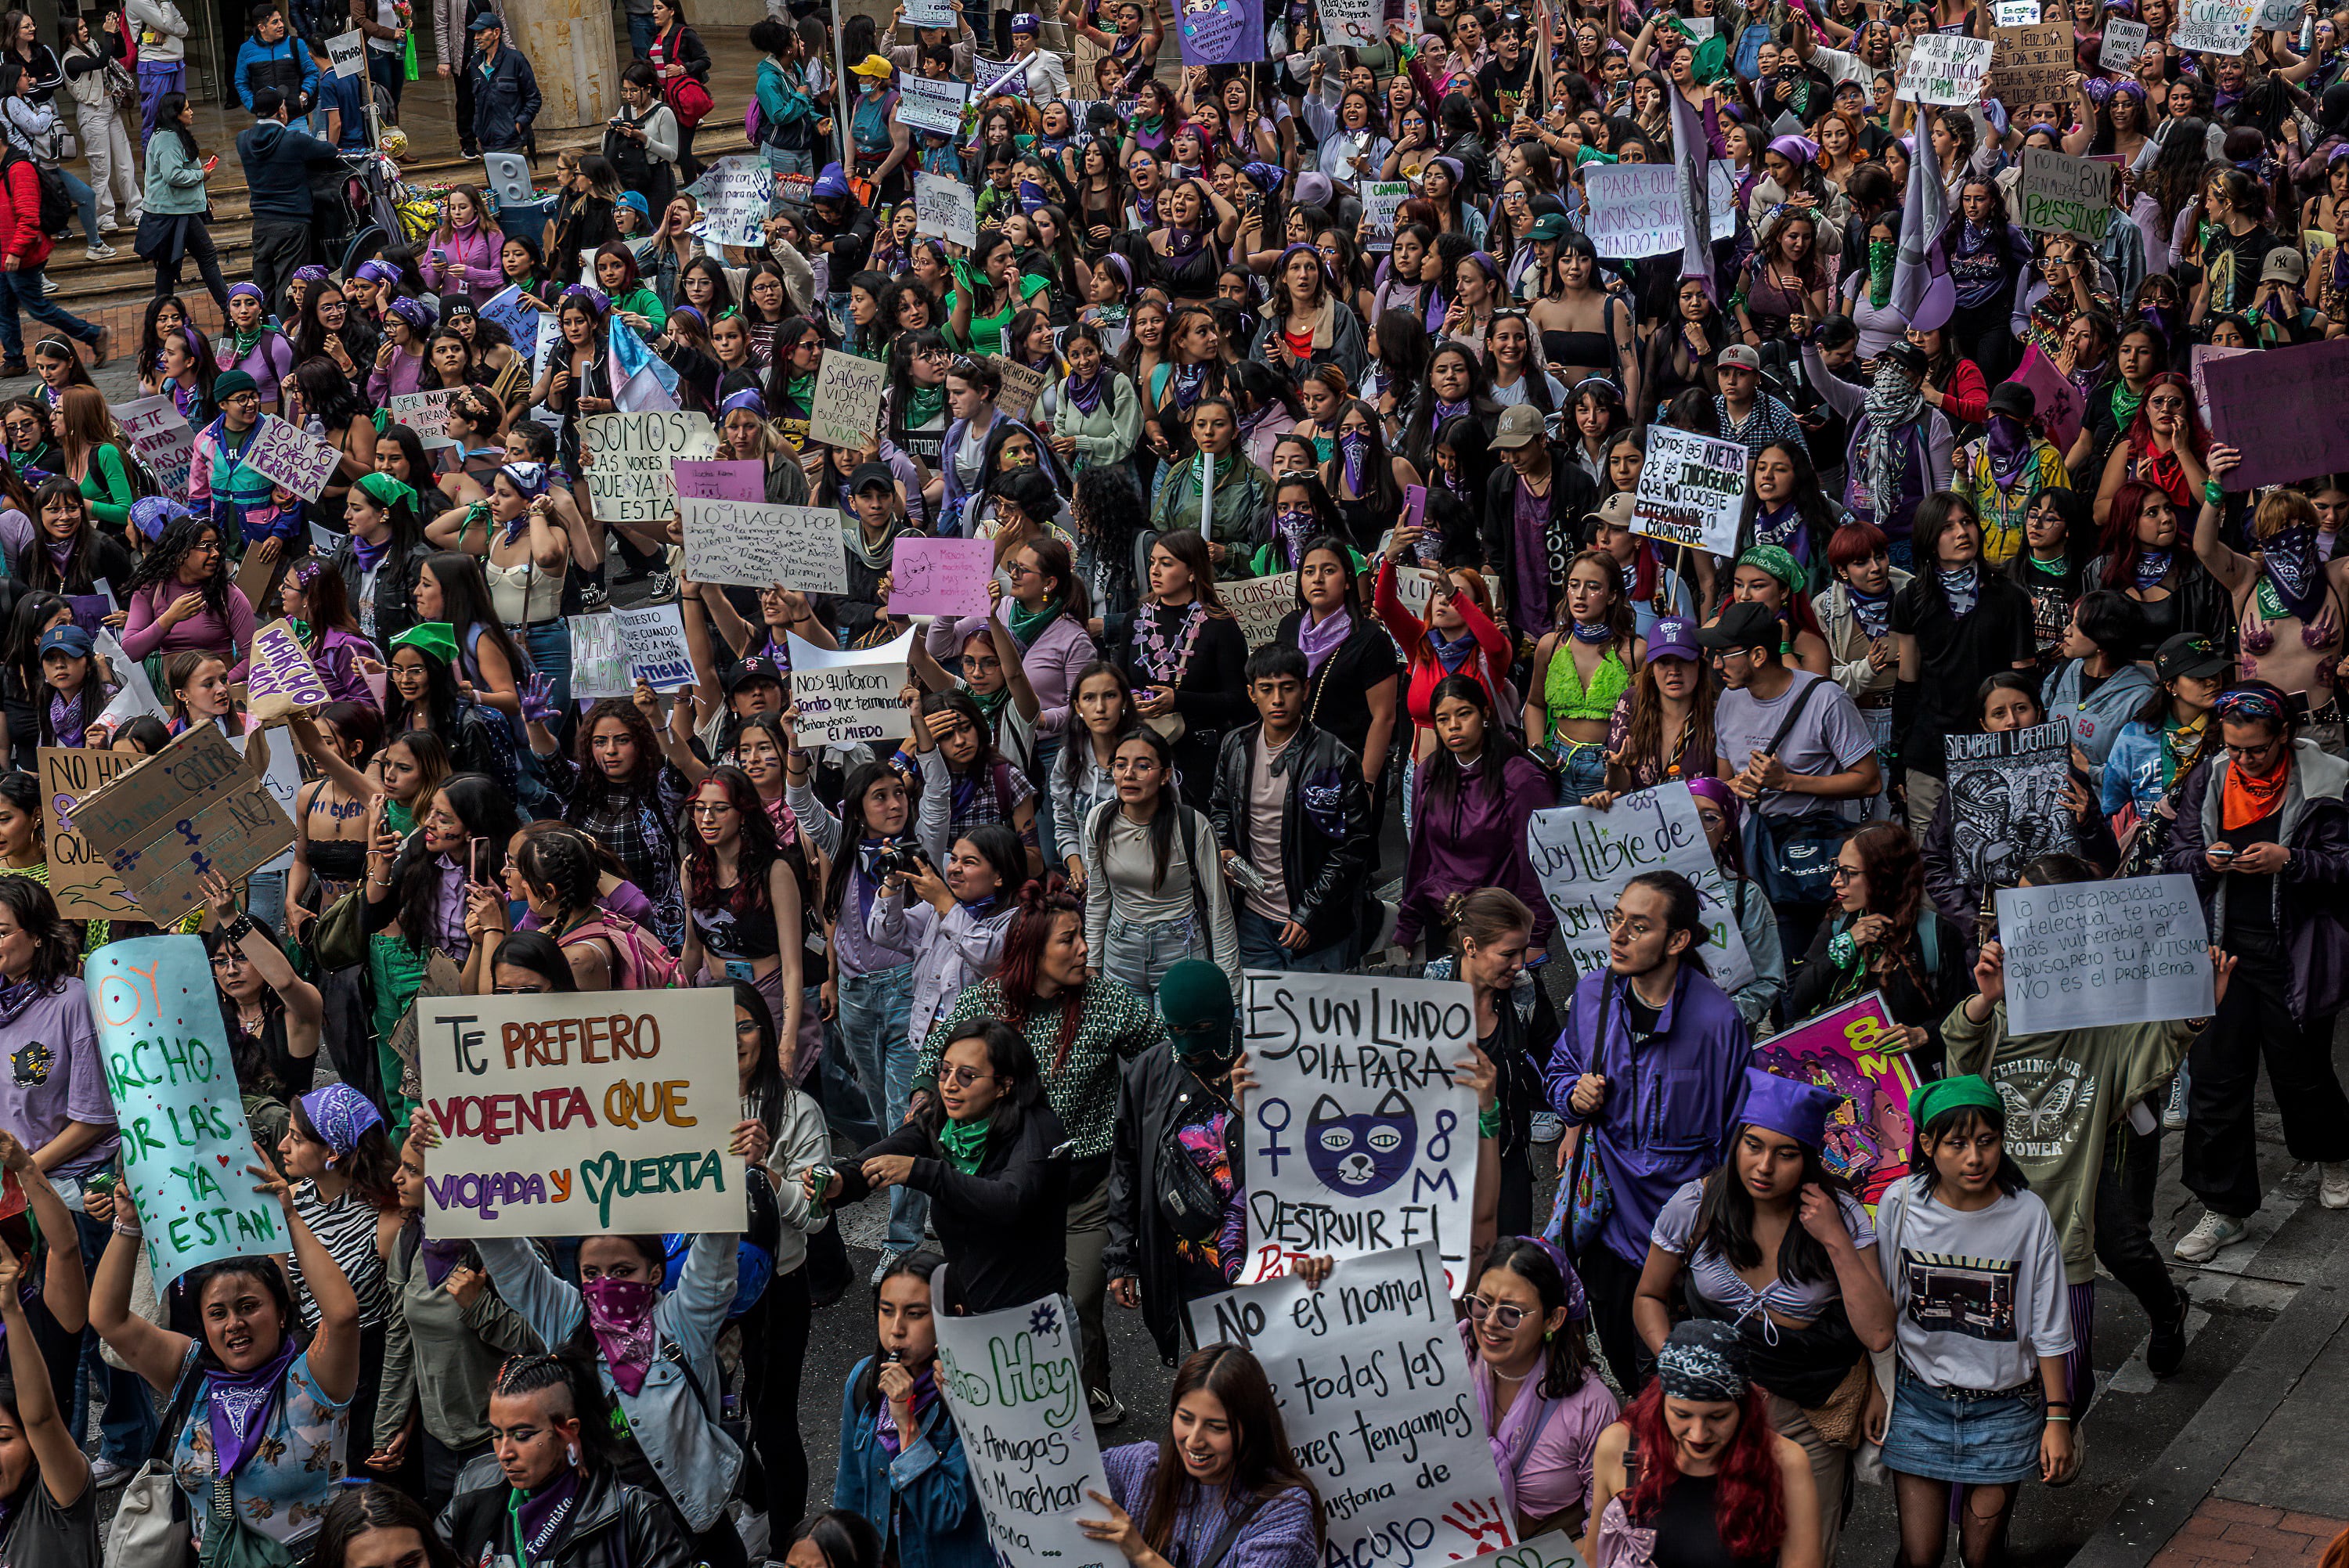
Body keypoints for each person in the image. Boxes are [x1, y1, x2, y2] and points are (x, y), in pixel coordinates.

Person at [1950, 856, 2213, 1400]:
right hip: (2036, 1144)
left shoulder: (2112, 974)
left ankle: (2168, 1310)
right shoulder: (2000, 976)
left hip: (2110, 1131)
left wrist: (2188, 1019)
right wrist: (1985, 1001)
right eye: (2016, 907)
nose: (2019, 923)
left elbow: (2153, 1044)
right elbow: (1964, 1063)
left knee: (2120, 1245)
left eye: (2037, 911)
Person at [1633, 1069, 1895, 1565]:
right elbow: (1648, 1296)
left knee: (1806, 1550)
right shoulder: (1695, 1206)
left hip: (1806, 1415)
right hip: (1709, 1416)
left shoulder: (1841, 1215)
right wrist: (1689, 1370)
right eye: (1753, 1145)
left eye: (1786, 1153)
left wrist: (1836, 1240)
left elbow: (1879, 1332)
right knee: (1713, 1546)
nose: (1764, 1166)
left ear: (1810, 1159)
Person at [90, 1144, 361, 1562]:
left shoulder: (313, 1380)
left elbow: (342, 1315)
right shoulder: (192, 1370)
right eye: (218, 1313)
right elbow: (109, 1320)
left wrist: (288, 1217)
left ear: (282, 1313)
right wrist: (129, 1226)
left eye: (249, 1307)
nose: (234, 1323)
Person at [1546, 871, 1753, 1392]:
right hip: (1610, 1233)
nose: (1617, 935)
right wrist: (1572, 1094)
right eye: (1616, 919)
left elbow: (1736, 1133)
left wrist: (1717, 1224)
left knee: (1688, 1388)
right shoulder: (1593, 994)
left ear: (1678, 939)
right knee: (1630, 1379)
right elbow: (1558, 1069)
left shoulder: (1717, 1019)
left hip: (1689, 1240)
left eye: (1638, 926)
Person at [2163, 683, 2349, 1259]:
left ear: (2285, 737)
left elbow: (2344, 865)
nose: (2243, 759)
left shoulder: (2330, 780)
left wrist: (2290, 860)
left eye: (2257, 749)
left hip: (2294, 952)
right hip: (2220, 952)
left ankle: (2334, 1155)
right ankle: (2223, 1208)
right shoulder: (2209, 777)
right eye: (2234, 746)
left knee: (2303, 1071)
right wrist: (2205, 859)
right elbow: (2175, 855)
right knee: (2216, 1081)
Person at [1869, 1079, 2079, 1568]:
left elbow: (2049, 1326)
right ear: (1927, 1144)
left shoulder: (2027, 1214)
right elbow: (1881, 1310)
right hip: (1921, 1403)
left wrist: (2058, 1418)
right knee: (1919, 1556)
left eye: (1987, 1141)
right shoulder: (1900, 1205)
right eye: (1956, 1143)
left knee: (1983, 1558)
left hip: (2004, 1413)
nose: (1974, 1158)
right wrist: (1873, 1389)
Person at [811, 1016, 1071, 1315]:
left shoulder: (1037, 1129)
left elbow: (1009, 1200)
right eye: (945, 1071)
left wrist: (921, 1171)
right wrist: (842, 1179)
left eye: (967, 1076)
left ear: (1004, 1085)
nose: (949, 1086)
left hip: (1034, 1321)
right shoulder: (945, 1120)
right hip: (967, 1314)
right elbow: (887, 1153)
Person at [1704, 600, 1884, 958]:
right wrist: (1732, 789)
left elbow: (1869, 780)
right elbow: (1725, 782)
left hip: (1813, 859)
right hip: (1753, 857)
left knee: (1807, 964)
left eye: (1725, 653)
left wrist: (1788, 781)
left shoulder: (1826, 699)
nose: (1717, 664)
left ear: (1757, 656)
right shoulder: (1728, 700)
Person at [1583, 1321, 1823, 1568]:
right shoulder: (1621, 1447)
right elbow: (1595, 1557)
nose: (1699, 1435)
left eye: (1718, 1417)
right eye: (1682, 1415)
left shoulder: (1784, 1462)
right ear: (1660, 1403)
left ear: (1744, 1408)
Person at [1208, 643, 1374, 975]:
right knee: (1260, 1022)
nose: (1278, 700)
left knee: (1316, 1022)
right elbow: (1221, 806)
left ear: (1305, 689)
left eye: (1287, 688)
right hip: (1252, 917)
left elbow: (1352, 849)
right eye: (1266, 690)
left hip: (1313, 927)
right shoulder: (1236, 745)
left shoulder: (1335, 758)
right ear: (1252, 693)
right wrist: (1225, 848)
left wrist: (1309, 914)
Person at [438, 1357, 694, 1568]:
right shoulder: (466, 1508)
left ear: (568, 1432)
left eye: (522, 1436)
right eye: (496, 1434)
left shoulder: (635, 1517)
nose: (504, 1452)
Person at [1083, 1345, 1323, 1568]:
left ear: (1251, 1429)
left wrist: (1143, 1556)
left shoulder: (1284, 1513)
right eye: (1185, 1419)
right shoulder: (1140, 1468)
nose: (1194, 1441)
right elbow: (1062, 1482)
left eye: (1216, 1427)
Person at [832, 1251, 991, 1568]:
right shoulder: (866, 1380)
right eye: (886, 1311)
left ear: (952, 1315)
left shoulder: (976, 1395)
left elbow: (944, 1513)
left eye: (915, 1314)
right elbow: (850, 1489)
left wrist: (906, 1424)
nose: (896, 1329)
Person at [1461, 1235, 1618, 1541]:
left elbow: (1606, 1521)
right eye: (1482, 1304)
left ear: (1553, 1319)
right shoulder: (1444, 1362)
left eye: (1512, 1312)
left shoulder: (1590, 1405)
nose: (1491, 1322)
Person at [0, 115, 106, 379]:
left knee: (38, 307)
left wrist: (15, 251)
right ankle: (14, 359)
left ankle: (95, 334)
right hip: (6, 255)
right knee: (3, 309)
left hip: (22, 254)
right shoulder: (3, 170)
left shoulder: (18, 169)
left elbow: (28, 217)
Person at [236, 85, 339, 318]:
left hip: (262, 224)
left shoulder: (242, 140)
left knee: (263, 285)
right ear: (281, 112)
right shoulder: (294, 141)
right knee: (289, 287)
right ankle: (286, 340)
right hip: (293, 223)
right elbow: (330, 151)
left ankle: (263, 337)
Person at [136, 91, 231, 313]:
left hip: (178, 210)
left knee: (169, 266)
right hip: (174, 213)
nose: (191, 112)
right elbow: (173, 175)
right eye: (187, 109)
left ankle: (162, 314)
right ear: (176, 114)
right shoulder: (168, 139)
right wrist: (202, 176)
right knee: (205, 256)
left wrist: (202, 196)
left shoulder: (172, 135)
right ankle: (228, 309)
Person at [467, 13, 538, 156]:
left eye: (481, 33)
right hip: (487, 141)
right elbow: (475, 102)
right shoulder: (475, 64)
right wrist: (478, 129)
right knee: (492, 179)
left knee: (510, 178)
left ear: (496, 33)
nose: (476, 38)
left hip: (511, 140)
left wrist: (518, 124)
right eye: (475, 33)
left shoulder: (515, 60)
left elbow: (534, 98)